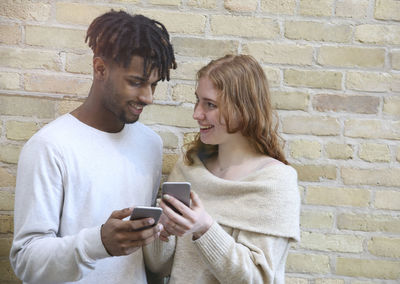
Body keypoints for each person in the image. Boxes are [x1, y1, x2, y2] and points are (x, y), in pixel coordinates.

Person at [10, 10, 176, 284]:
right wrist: (98, 242)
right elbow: (26, 260)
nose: (148, 97)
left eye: (153, 85)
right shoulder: (49, 146)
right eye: (136, 82)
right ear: (100, 69)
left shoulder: (151, 144)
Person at [143, 54, 300, 283]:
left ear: (242, 108)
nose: (197, 114)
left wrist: (205, 227)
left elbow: (259, 279)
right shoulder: (188, 169)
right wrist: (161, 232)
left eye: (210, 105)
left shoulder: (274, 182)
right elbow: (161, 266)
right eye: (198, 101)